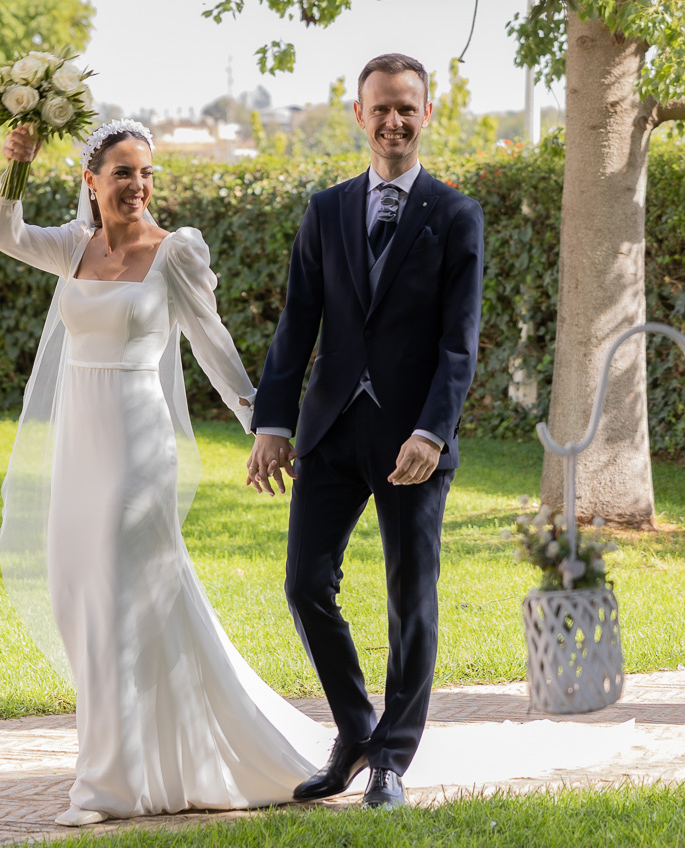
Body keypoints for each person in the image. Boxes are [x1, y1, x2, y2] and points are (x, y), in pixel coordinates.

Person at [0, 106, 635, 828]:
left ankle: (109, 781)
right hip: (81, 442)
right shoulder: (71, 247)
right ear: (91, 180)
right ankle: (132, 754)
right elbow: (1, 233)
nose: (136, 186)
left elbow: (214, 344)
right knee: (83, 594)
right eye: (122, 174)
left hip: (137, 446)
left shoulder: (175, 252)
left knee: (117, 586)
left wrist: (261, 423)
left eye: (145, 173)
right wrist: (14, 163)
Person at [248, 52, 484, 810]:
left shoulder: (454, 215)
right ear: (359, 114)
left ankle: (392, 760)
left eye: (406, 108)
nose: (393, 121)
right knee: (305, 585)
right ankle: (356, 731)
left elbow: (460, 343)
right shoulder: (326, 210)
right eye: (380, 108)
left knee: (410, 601)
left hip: (414, 442)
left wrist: (432, 433)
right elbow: (297, 326)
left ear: (426, 113)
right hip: (331, 431)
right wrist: (273, 424)